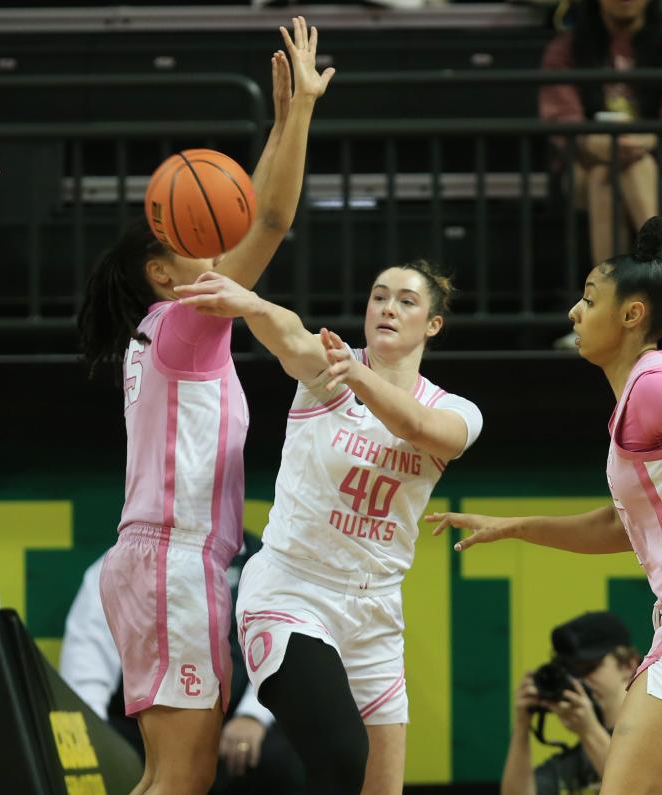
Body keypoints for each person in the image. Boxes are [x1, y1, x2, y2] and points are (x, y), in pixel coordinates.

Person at [76, 17, 333, 795]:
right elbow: (271, 220)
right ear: (163, 269)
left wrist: (288, 122)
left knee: (165, 773)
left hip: (161, 561)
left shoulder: (168, 330)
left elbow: (253, 217)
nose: (218, 252)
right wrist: (300, 116)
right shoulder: (189, 324)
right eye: (197, 241)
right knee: (182, 778)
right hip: (173, 561)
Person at [174, 259, 483, 794]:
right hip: (294, 590)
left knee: (380, 787)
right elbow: (290, 335)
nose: (388, 307)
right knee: (343, 757)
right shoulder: (327, 369)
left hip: (376, 610)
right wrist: (250, 303)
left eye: (407, 301)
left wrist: (357, 374)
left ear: (433, 324)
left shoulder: (455, 408)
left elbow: (422, 429)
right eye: (379, 295)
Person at [428, 216, 662, 794]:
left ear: (632, 314)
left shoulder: (655, 383)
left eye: (589, 300)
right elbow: (618, 526)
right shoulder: (635, 397)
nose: (573, 313)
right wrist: (513, 526)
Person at [59, 538, 305, 795]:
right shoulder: (124, 563)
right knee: (87, 755)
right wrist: (98, 738)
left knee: (277, 756)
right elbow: (87, 666)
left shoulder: (262, 565)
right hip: (138, 731)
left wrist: (253, 715)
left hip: (228, 730)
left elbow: (284, 648)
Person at [540, 0, 662, 346]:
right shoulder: (566, 47)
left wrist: (648, 137)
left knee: (619, 172)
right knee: (604, 171)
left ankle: (603, 315)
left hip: (658, 169)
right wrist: (595, 141)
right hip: (584, 167)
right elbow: (560, 117)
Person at [501, 611, 640, 795]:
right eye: (572, 672)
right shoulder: (574, 762)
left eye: (589, 669)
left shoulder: (653, 735)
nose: (580, 681)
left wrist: (589, 731)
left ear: (628, 665)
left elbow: (637, 788)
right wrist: (521, 726)